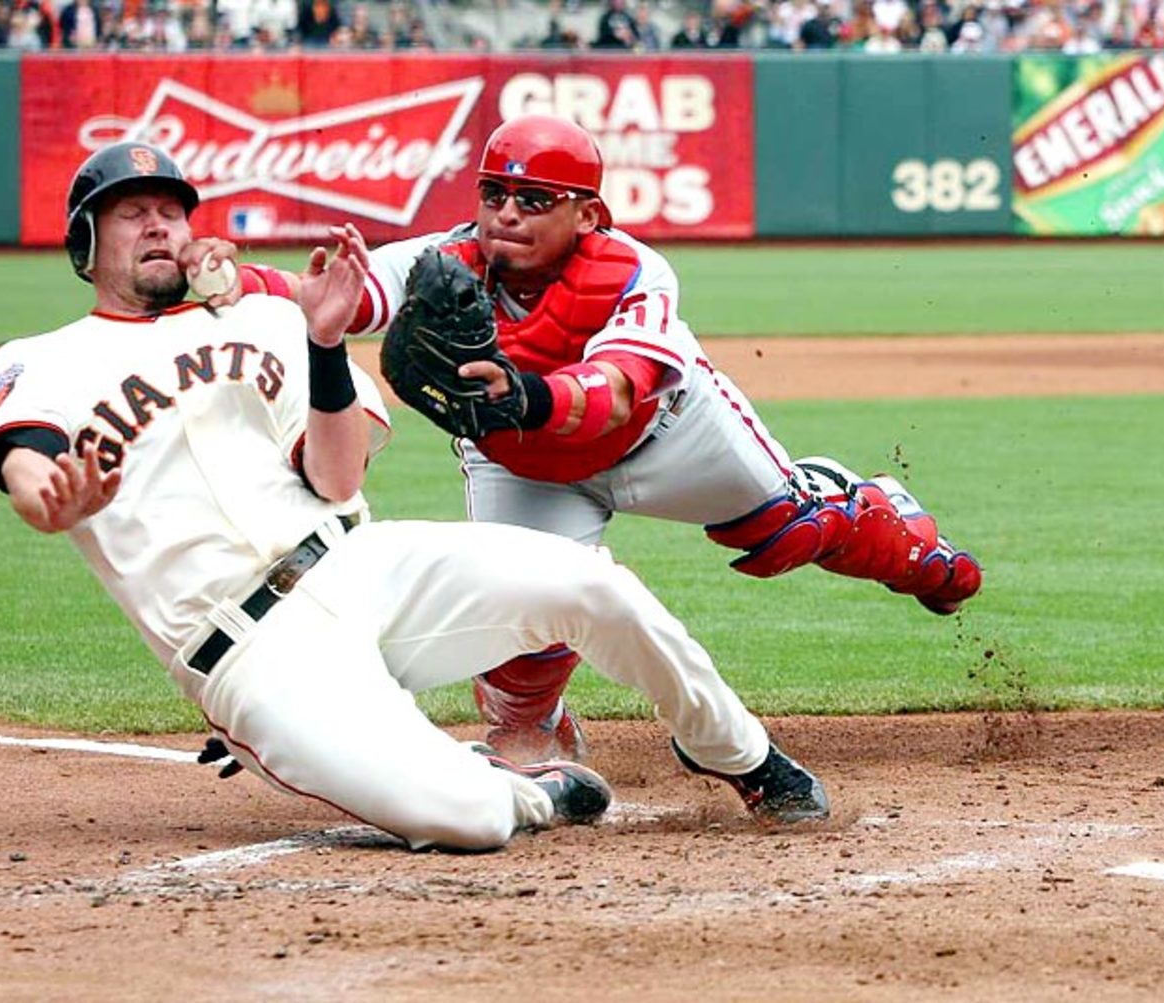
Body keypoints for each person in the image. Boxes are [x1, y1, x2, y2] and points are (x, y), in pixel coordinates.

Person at [0, 141, 832, 851]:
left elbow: (337, 477)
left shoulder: (259, 320)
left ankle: (746, 758)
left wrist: (319, 341)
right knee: (462, 819)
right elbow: (26, 452)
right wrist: (44, 496)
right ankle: (522, 791)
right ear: (88, 244)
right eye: (132, 212)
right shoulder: (45, 356)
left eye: (171, 210)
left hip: (359, 565)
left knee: (593, 583)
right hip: (249, 651)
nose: (158, 224)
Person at [238, 115, 982, 765]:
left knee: (787, 530)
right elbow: (337, 295)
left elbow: (619, 386)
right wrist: (224, 282)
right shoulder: (446, 262)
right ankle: (530, 731)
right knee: (525, 595)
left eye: (535, 200)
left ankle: (891, 528)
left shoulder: (633, 271)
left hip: (669, 433)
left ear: (588, 214)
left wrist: (527, 393)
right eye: (494, 194)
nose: (506, 214)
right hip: (528, 468)